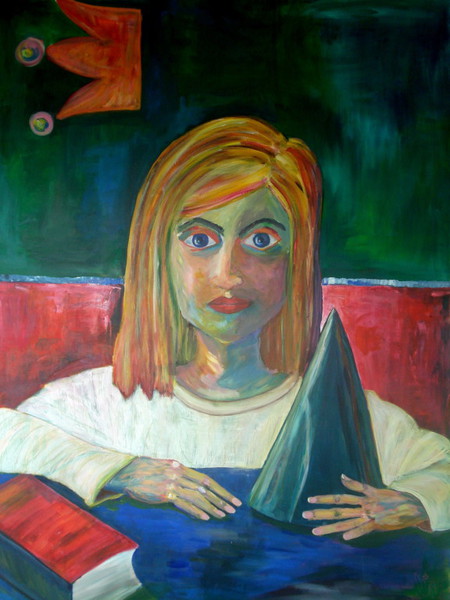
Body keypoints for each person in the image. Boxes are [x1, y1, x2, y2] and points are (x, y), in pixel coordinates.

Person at [0, 117, 448, 540]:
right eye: (200, 240)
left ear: (296, 259)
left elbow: (440, 470)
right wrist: (120, 471)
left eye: (262, 240)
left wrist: (415, 502)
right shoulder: (102, 403)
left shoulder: (340, 416)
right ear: (159, 258)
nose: (228, 274)